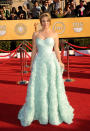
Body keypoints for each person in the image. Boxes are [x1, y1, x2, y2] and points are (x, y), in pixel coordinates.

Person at [18, 12, 74, 127]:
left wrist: (60, 61)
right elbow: (34, 50)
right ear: (40, 22)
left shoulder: (54, 34)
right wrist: (32, 63)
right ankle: (41, 111)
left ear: (50, 22)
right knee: (40, 87)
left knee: (52, 87)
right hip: (39, 63)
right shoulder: (35, 34)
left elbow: (57, 49)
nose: (45, 23)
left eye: (47, 21)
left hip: (51, 63)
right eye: (43, 21)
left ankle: (52, 111)